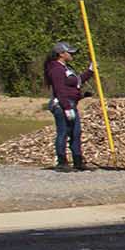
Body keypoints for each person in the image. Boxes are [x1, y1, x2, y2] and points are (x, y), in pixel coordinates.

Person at [44, 42, 93, 171]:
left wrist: (90, 71)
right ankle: (62, 162)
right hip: (62, 105)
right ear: (61, 54)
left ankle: (77, 161)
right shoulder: (56, 69)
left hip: (71, 103)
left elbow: (77, 81)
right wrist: (66, 108)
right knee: (63, 132)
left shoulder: (67, 68)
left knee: (76, 133)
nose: (72, 55)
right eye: (69, 53)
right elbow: (60, 90)